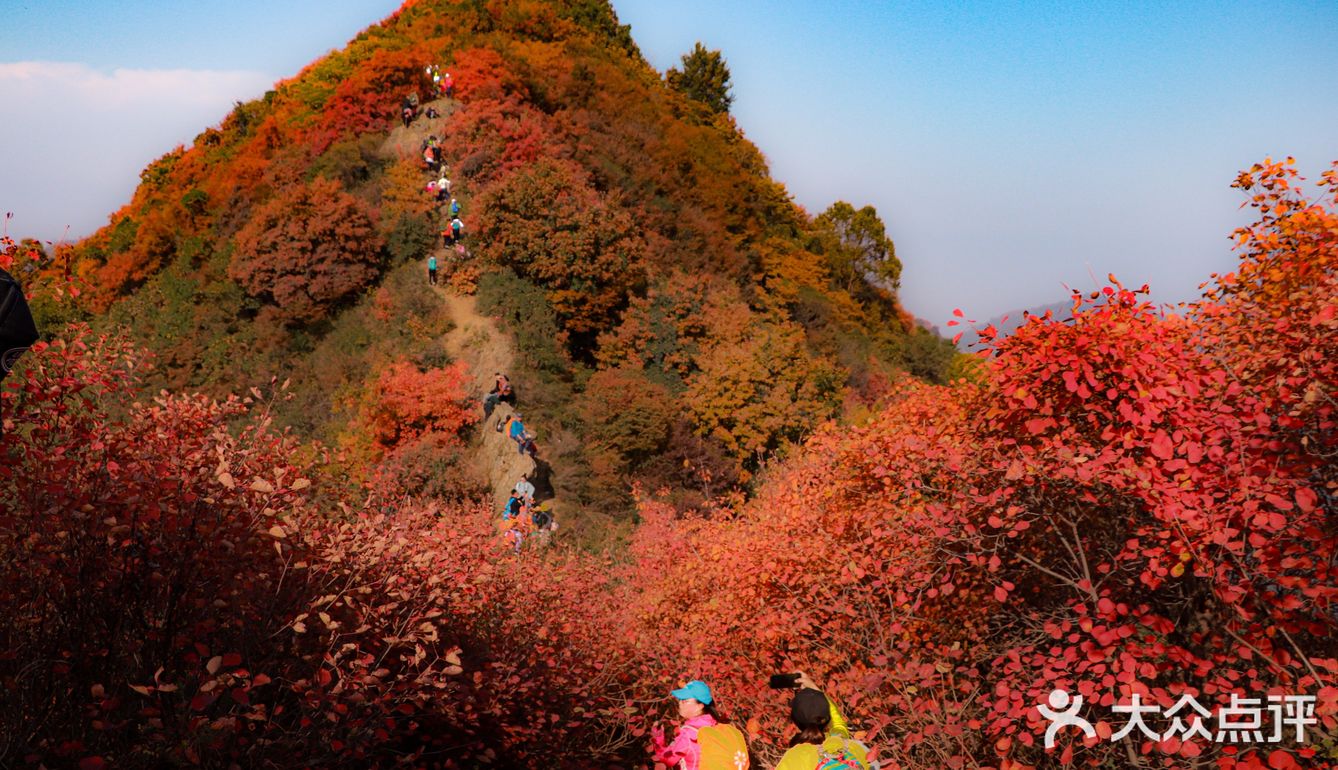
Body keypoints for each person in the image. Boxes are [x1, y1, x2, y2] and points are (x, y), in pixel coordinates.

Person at [774, 674, 869, 770]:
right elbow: (837, 722)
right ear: (826, 718)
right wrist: (814, 688)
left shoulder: (797, 756)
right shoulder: (847, 745)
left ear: (795, 720)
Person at [651, 680, 749, 770]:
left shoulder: (689, 733)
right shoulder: (716, 725)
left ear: (700, 706)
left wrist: (657, 737)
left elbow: (667, 759)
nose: (680, 703)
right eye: (680, 700)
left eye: (685, 701)